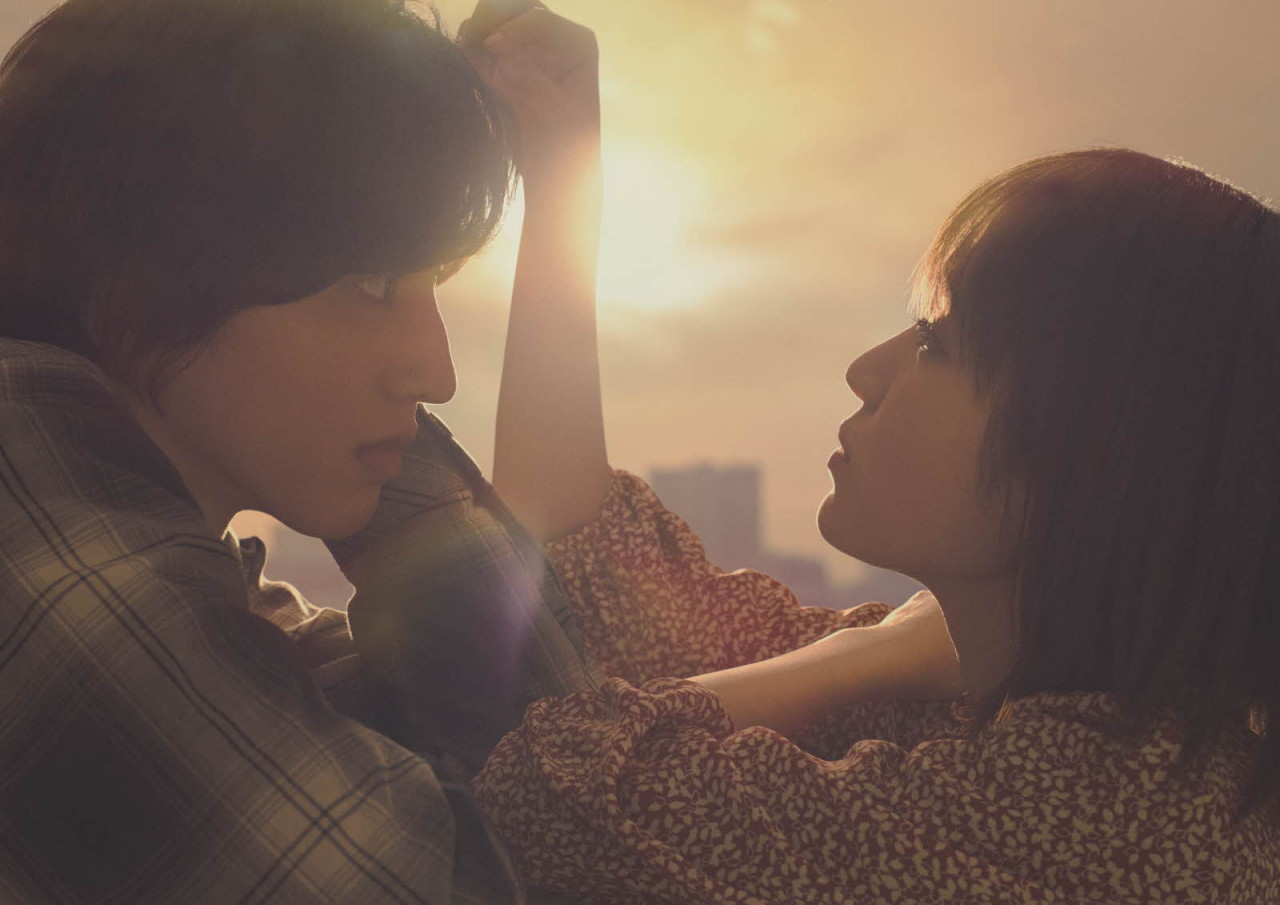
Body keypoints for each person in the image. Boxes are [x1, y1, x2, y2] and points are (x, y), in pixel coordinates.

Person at [466, 148, 1280, 901]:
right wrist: (562, 150)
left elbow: (542, 787)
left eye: (935, 343)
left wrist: (864, 655)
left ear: (1097, 448)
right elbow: (594, 568)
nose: (865, 371)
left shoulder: (1093, 825)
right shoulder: (1041, 723)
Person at [0, 0, 603, 901]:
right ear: (153, 253)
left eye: (433, 285)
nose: (437, 373)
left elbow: (525, 760)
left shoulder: (184, 583)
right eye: (372, 284)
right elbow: (537, 853)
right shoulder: (59, 577)